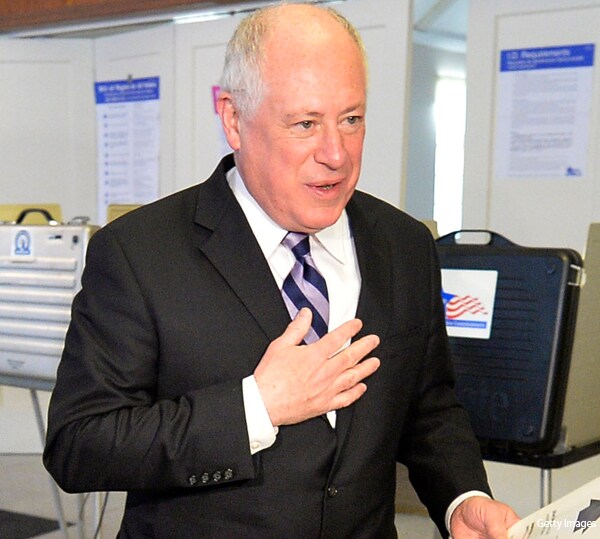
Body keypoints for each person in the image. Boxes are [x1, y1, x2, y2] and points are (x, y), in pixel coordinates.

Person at [43, 2, 520, 538]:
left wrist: (462, 497)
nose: (336, 154)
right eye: (305, 123)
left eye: (351, 119)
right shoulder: (138, 253)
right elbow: (79, 445)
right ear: (233, 119)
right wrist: (257, 406)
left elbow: (430, 408)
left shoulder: (405, 245)